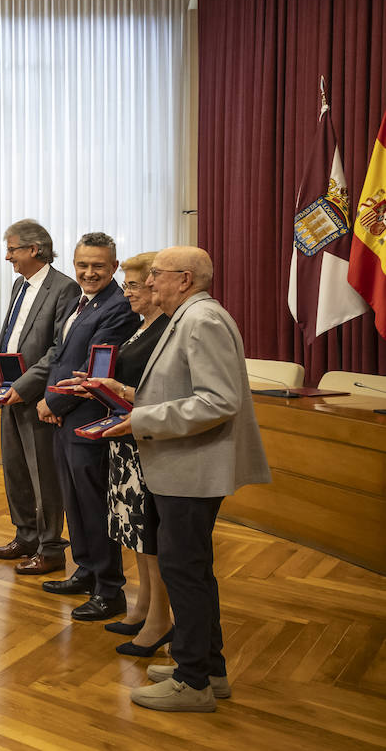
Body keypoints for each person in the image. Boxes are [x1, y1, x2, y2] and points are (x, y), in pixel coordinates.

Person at [86, 246, 270, 712]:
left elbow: (217, 401)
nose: (148, 284)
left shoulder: (201, 320)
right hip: (181, 465)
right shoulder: (189, 317)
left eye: (157, 277)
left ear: (184, 279)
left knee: (184, 573)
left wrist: (142, 418)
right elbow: (178, 389)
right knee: (190, 571)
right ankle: (208, 668)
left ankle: (193, 683)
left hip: (191, 468)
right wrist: (122, 392)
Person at [35, 232, 141, 621]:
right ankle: (85, 570)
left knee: (94, 505)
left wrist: (52, 402)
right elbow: (62, 357)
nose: (89, 272)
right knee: (74, 502)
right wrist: (53, 403)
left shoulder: (118, 307)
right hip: (66, 417)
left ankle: (109, 589)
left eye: (98, 266)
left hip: (91, 420)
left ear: (114, 267)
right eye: (83, 265)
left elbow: (96, 371)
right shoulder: (80, 302)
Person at [88, 251, 173, 657]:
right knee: (135, 533)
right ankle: (142, 607)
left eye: (135, 285)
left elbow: (163, 394)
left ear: (156, 288)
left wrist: (120, 391)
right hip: (125, 437)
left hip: (147, 441)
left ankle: (160, 620)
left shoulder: (168, 330)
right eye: (128, 286)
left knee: (151, 535)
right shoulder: (142, 328)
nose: (129, 293)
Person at [0, 220, 81, 576]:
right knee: (15, 471)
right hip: (9, 394)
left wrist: (25, 386)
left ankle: (50, 548)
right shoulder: (19, 284)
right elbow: (13, 336)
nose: (7, 256)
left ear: (34, 249)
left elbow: (61, 348)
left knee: (43, 476)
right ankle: (25, 536)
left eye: (12, 249)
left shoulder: (65, 288)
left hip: (39, 399)